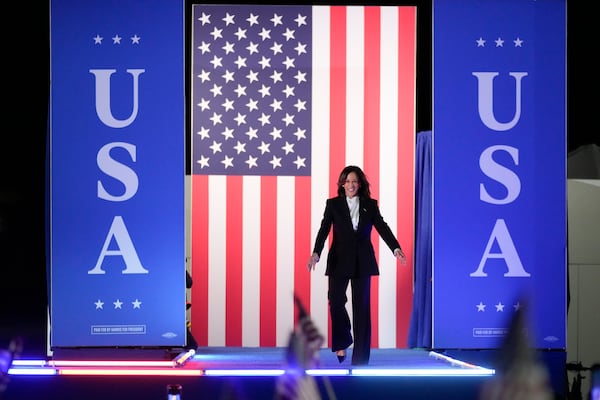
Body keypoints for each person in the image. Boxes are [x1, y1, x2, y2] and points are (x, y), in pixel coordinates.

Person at [307, 165, 406, 366]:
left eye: (354, 181)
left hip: (363, 261)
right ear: (342, 184)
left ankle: (360, 359)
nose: (351, 185)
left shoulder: (370, 204)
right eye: (347, 181)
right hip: (338, 261)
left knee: (361, 309)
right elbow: (324, 229)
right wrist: (316, 253)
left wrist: (396, 248)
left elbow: (382, 227)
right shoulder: (333, 204)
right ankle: (343, 340)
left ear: (360, 184)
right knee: (335, 302)